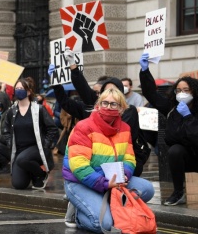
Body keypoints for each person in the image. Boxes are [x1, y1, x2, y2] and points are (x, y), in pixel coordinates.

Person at [63, 88, 154, 233]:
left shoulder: (125, 128)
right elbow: (78, 166)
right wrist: (105, 184)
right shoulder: (83, 127)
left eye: (113, 104)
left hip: (112, 181)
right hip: (79, 182)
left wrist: (125, 175)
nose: (108, 107)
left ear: (121, 108)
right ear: (98, 105)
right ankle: (78, 214)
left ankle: (105, 205)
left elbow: (130, 158)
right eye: (104, 103)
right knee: (104, 225)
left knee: (148, 189)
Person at [63, 47, 151, 177]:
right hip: (101, 161)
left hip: (122, 159)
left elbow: (124, 139)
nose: (110, 96)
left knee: (145, 188)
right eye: (106, 92)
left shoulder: (129, 111)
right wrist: (73, 66)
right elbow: (83, 89)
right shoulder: (98, 107)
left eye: (114, 91)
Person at [139, 52, 198, 206]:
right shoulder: (172, 108)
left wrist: (189, 118)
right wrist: (145, 71)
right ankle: (178, 193)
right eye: (178, 90)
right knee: (175, 150)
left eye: (186, 90)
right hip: (186, 158)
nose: (182, 93)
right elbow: (151, 94)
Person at [3, 77, 59, 190]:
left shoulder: (39, 109)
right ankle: (32, 173)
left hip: (36, 148)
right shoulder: (11, 111)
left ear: (28, 91)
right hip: (19, 151)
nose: (18, 90)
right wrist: (9, 142)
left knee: (23, 159)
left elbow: (52, 129)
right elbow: (6, 130)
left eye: (21, 88)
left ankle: (42, 174)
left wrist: (46, 145)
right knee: (18, 185)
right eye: (17, 88)